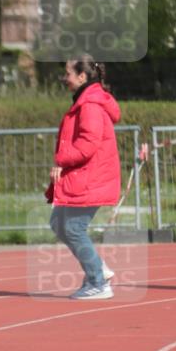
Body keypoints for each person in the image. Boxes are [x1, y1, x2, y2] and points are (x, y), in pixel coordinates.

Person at [49, 55, 120, 300]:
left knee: (72, 228)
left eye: (67, 74)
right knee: (58, 222)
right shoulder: (85, 102)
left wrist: (61, 160)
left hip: (92, 177)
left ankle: (98, 282)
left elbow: (88, 145)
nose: (64, 78)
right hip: (85, 175)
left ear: (82, 76)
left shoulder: (89, 105)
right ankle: (98, 270)